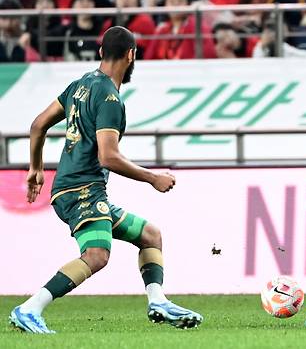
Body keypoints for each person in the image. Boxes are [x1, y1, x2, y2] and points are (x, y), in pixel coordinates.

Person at [9, 26, 203, 334]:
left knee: (150, 235)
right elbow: (108, 156)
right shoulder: (111, 99)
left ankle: (158, 301)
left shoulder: (81, 84)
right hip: (81, 190)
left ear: (101, 52)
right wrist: (152, 178)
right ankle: (30, 308)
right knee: (97, 256)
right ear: (131, 55)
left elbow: (37, 125)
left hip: (77, 190)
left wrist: (36, 169)